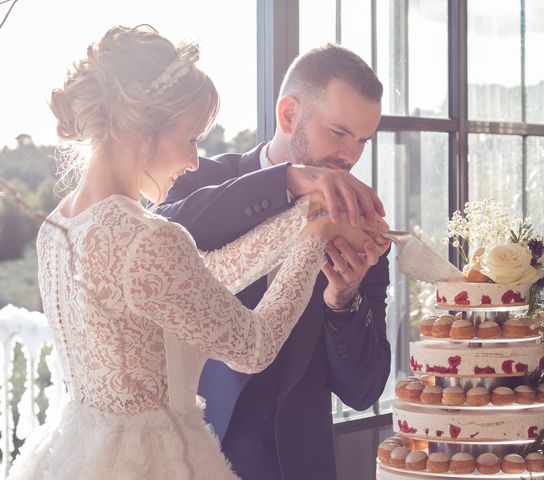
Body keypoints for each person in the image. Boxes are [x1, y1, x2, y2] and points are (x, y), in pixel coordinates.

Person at [8, 26, 386, 480]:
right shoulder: (155, 228)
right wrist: (312, 233)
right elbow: (252, 346)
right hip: (164, 460)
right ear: (145, 128)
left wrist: (312, 237)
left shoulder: (56, 227)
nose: (192, 159)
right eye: (190, 138)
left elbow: (204, 275)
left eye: (363, 141)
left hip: (81, 451)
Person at [158, 43, 391, 480]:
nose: (351, 157)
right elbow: (160, 231)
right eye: (339, 133)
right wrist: (285, 181)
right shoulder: (201, 180)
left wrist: (344, 302)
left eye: (362, 140)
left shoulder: (360, 225)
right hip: (196, 459)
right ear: (288, 115)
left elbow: (364, 391)